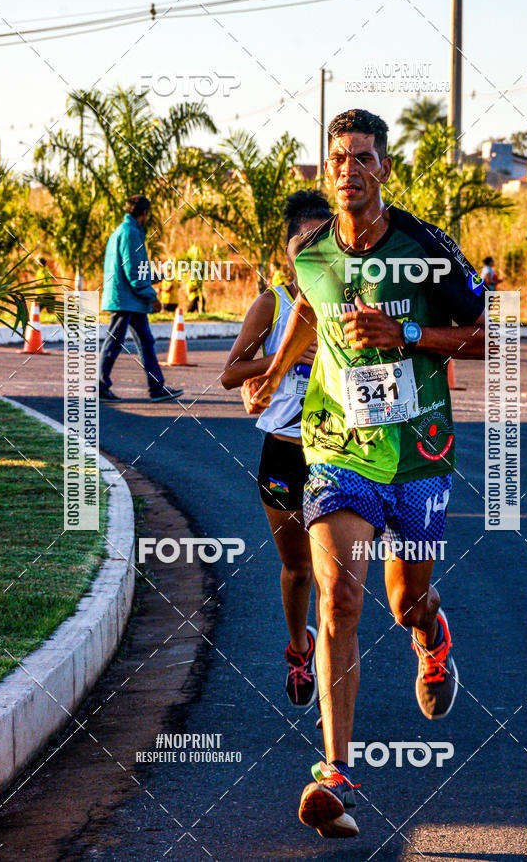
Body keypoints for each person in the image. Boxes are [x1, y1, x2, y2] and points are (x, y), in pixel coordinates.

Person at [247, 109, 486, 839]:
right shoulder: (312, 254)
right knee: (339, 593)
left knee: (403, 600)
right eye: (338, 158)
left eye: (362, 158)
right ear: (328, 170)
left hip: (417, 451)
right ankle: (336, 774)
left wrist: (408, 334)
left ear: (384, 168)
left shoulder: (426, 251)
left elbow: (485, 335)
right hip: (337, 448)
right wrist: (272, 370)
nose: (348, 170)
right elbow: (310, 320)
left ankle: (431, 635)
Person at [222, 190, 332, 710]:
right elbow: (230, 374)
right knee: (299, 569)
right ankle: (298, 648)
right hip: (284, 453)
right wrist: (280, 362)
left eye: (321, 240)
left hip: (340, 455)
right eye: (302, 242)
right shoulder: (273, 304)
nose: (311, 249)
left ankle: (337, 695)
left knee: (340, 581)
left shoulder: (348, 301)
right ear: (287, 249)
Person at [99, 195, 183, 403]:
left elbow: (133, 270)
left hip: (130, 298)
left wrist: (157, 275)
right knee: (115, 341)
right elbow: (134, 272)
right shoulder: (131, 233)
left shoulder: (121, 231)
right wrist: (152, 296)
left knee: (146, 342)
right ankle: (100, 386)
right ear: (144, 214)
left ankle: (156, 387)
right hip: (126, 299)